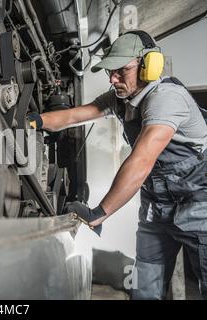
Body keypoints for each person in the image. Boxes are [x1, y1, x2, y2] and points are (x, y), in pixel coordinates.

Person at [29, 31, 207, 299]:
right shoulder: (119, 99)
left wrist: (99, 212)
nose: (113, 79)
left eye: (121, 71)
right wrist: (35, 121)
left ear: (149, 65)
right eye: (110, 72)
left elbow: (141, 161)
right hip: (156, 209)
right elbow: (73, 115)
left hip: (199, 205)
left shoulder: (166, 98)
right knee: (145, 290)